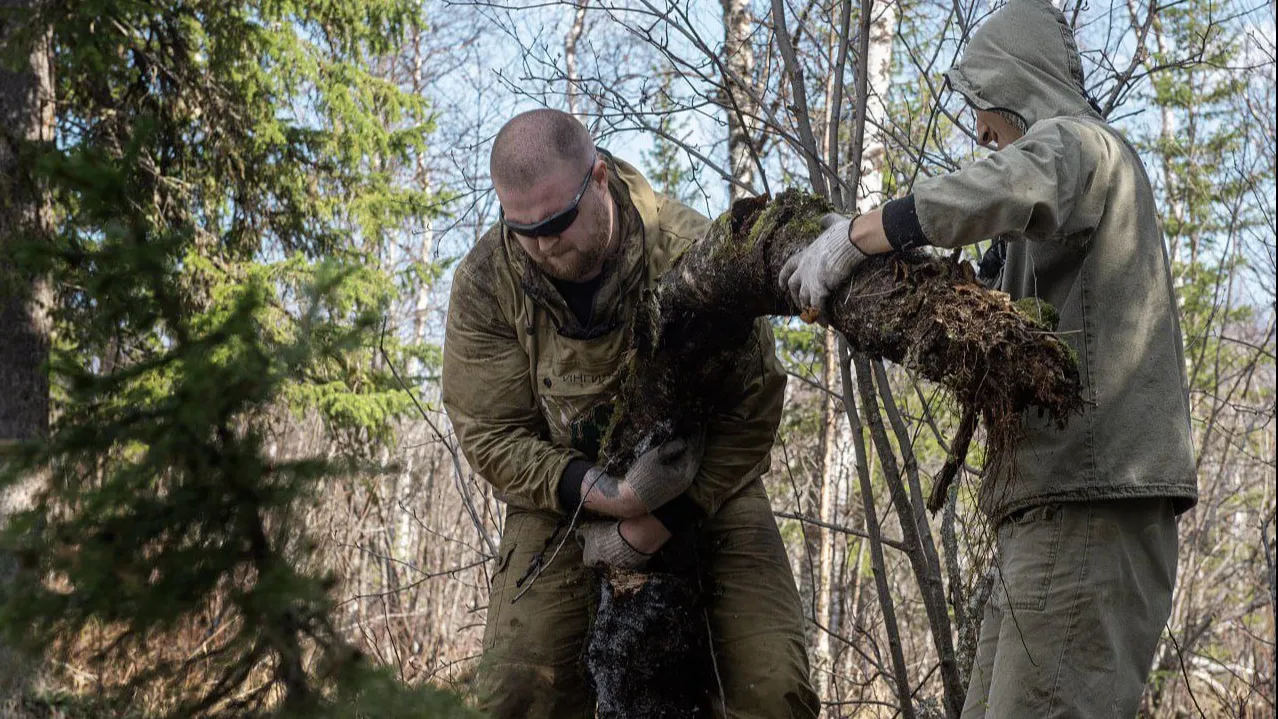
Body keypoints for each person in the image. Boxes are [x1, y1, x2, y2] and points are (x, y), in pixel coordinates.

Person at [781, 0, 1197, 716]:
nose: (978, 130)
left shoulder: (1082, 146)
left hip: (1088, 507)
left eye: (983, 105)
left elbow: (1007, 183)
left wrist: (863, 233)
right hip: (1053, 509)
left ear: (1016, 89)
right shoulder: (1067, 190)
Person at [442, 108, 819, 719]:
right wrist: (602, 495)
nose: (543, 244)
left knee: (775, 692)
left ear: (597, 178)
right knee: (515, 694)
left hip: (710, 484)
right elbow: (492, 432)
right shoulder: (489, 281)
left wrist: (664, 515)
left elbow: (753, 404)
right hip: (560, 501)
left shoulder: (689, 251)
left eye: (559, 222)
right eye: (523, 229)